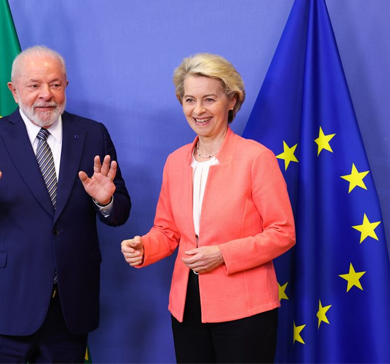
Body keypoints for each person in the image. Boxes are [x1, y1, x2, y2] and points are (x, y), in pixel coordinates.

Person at [0, 45, 131, 363]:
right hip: (3, 306)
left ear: (66, 86)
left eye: (55, 84)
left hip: (70, 310)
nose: (45, 95)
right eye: (34, 85)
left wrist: (106, 201)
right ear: (14, 90)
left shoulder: (93, 134)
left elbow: (120, 211)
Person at [121, 53, 295, 363]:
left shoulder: (257, 159)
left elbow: (282, 233)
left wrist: (223, 254)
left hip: (246, 309)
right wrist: (143, 247)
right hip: (186, 305)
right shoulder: (175, 161)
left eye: (209, 99)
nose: (198, 110)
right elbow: (168, 230)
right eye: (189, 100)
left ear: (232, 101)